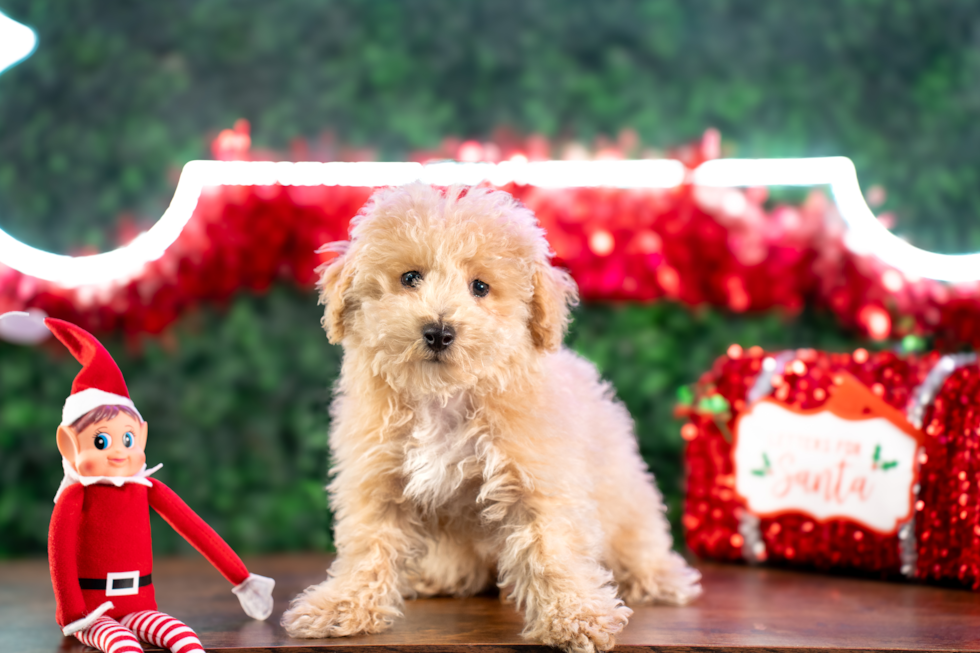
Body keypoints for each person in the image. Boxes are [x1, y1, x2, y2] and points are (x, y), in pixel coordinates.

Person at [45, 317, 274, 653]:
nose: (119, 452)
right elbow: (60, 553)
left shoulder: (146, 488)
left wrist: (243, 579)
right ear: (69, 445)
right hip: (92, 612)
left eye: (127, 438)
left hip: (141, 603)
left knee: (185, 639)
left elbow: (197, 530)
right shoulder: (75, 497)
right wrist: (72, 613)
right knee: (122, 644)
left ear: (143, 437)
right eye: (101, 441)